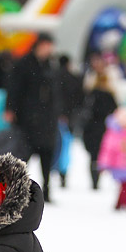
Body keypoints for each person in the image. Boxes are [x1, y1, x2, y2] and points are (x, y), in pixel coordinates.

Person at [5, 32, 60, 201]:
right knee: (22, 156)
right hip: (28, 119)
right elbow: (14, 88)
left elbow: (56, 91)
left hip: (47, 120)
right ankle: (17, 189)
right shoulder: (24, 64)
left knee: (47, 155)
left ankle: (47, 188)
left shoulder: (50, 65)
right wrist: (10, 108)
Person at [81, 72, 118, 189]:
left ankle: (94, 180)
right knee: (100, 155)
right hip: (103, 129)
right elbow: (115, 112)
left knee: (93, 156)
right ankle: (97, 179)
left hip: (92, 128)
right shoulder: (109, 96)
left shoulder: (91, 95)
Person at [53, 54, 84, 187]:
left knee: (56, 146)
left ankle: (53, 170)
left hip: (54, 117)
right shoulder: (73, 78)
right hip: (70, 117)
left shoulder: (53, 77)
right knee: (65, 147)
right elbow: (79, 98)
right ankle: (63, 173)